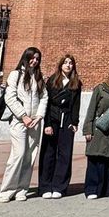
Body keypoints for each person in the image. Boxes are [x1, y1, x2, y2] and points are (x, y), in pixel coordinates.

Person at [0, 47, 49, 203]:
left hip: (35, 121)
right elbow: (10, 98)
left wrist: (39, 116)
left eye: (37, 59)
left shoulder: (39, 77)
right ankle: (7, 189)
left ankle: (22, 189)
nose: (34, 61)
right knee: (18, 154)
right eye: (32, 58)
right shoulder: (16, 75)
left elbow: (44, 97)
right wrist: (23, 115)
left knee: (30, 155)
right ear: (25, 58)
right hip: (19, 121)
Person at [38, 54, 82, 199]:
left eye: (71, 63)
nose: (68, 65)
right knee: (48, 153)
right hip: (53, 118)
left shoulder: (76, 83)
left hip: (67, 119)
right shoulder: (52, 81)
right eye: (66, 63)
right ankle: (45, 186)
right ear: (60, 65)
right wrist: (48, 123)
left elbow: (76, 104)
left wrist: (74, 123)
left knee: (65, 154)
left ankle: (60, 187)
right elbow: (48, 103)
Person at [82, 65, 109, 199]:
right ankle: (92, 190)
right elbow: (91, 110)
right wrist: (87, 129)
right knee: (97, 159)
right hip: (100, 130)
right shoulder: (100, 89)